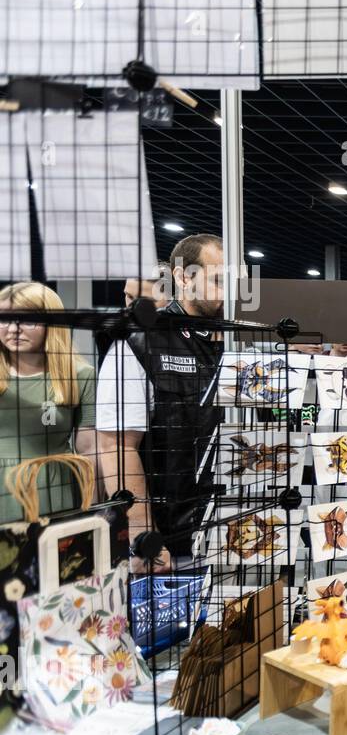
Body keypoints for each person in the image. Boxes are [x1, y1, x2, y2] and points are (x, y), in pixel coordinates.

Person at [97, 233, 225, 572]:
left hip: (231, 532)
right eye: (217, 280)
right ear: (183, 277)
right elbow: (116, 447)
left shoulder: (235, 344)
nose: (227, 291)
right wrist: (143, 535)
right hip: (170, 541)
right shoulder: (138, 343)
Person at [0, 283, 98, 523]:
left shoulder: (80, 375)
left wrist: (96, 510)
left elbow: (90, 451)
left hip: (54, 491)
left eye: (28, 320)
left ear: (52, 325)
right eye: (4, 319)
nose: (14, 329)